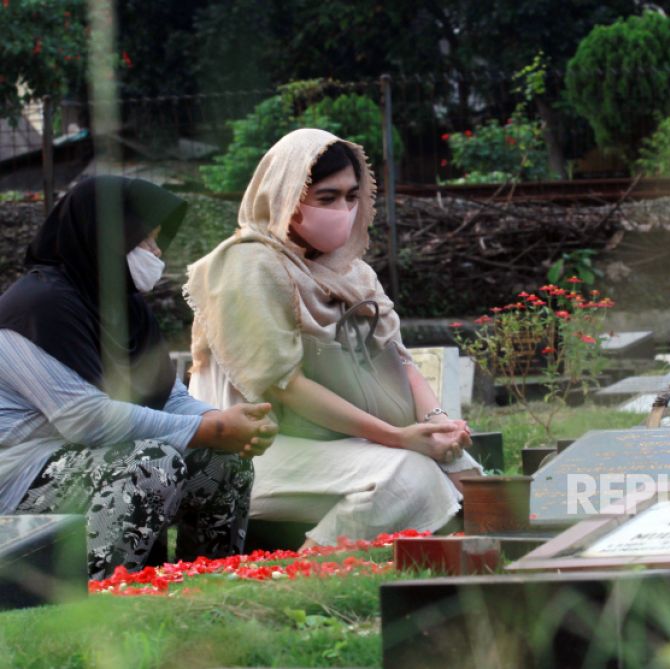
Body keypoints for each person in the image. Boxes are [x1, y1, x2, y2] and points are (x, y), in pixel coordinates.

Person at [185, 128, 482, 549]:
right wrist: (396, 437)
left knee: (463, 472)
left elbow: (398, 357)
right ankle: (309, 567)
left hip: (334, 439)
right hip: (251, 450)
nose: (343, 209)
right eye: (327, 198)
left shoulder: (353, 272)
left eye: (351, 196)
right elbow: (284, 385)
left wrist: (437, 422)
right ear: (285, 198)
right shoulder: (247, 265)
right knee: (407, 475)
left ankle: (489, 555)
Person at [0, 176, 277, 579]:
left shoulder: (123, 310)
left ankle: (208, 591)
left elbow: (168, 396)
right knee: (151, 463)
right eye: (146, 239)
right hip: (18, 475)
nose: (157, 252)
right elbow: (87, 419)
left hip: (92, 459)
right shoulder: (33, 309)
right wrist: (212, 429)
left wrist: (225, 422)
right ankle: (108, 597)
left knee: (224, 461)